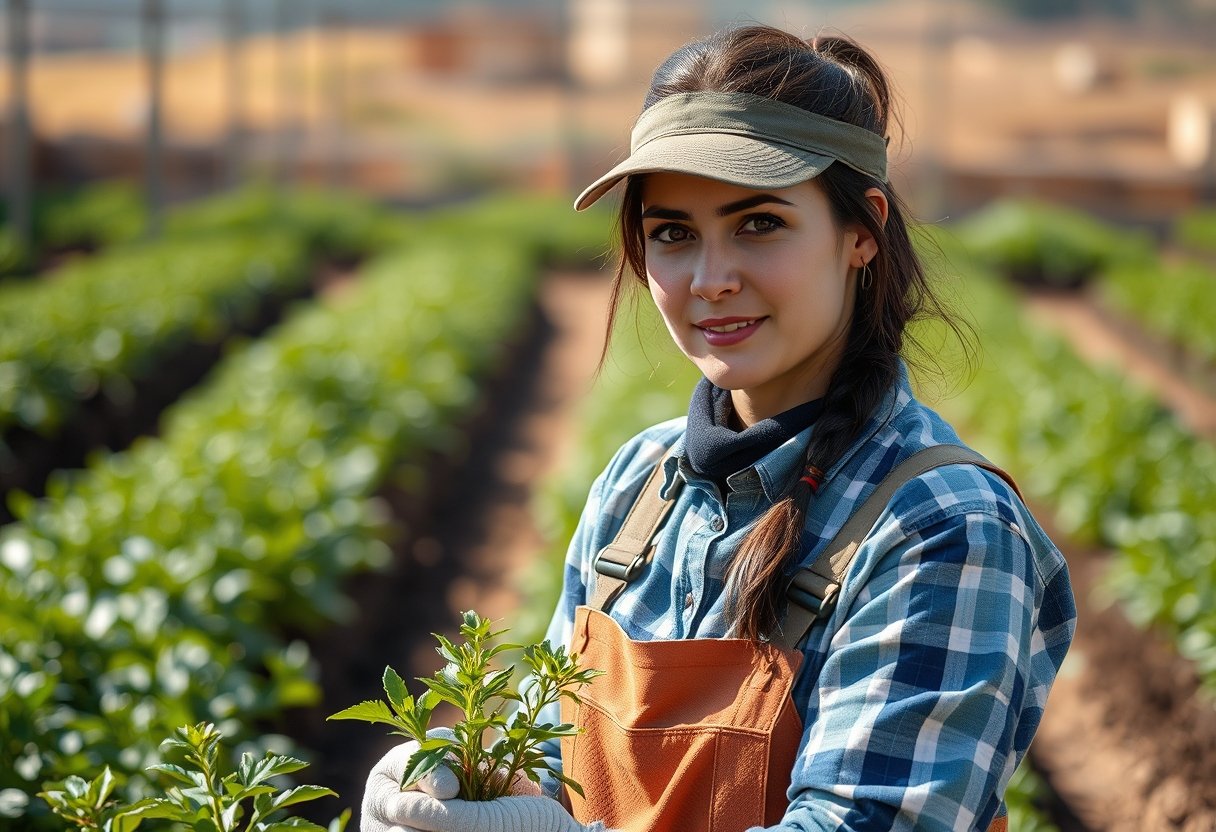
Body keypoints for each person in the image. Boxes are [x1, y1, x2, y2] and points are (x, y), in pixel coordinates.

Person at [360, 23, 1076, 832]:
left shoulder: (943, 528)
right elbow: (555, 766)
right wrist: (464, 785)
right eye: (673, 234)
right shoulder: (639, 485)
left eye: (759, 224)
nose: (710, 279)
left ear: (861, 232)